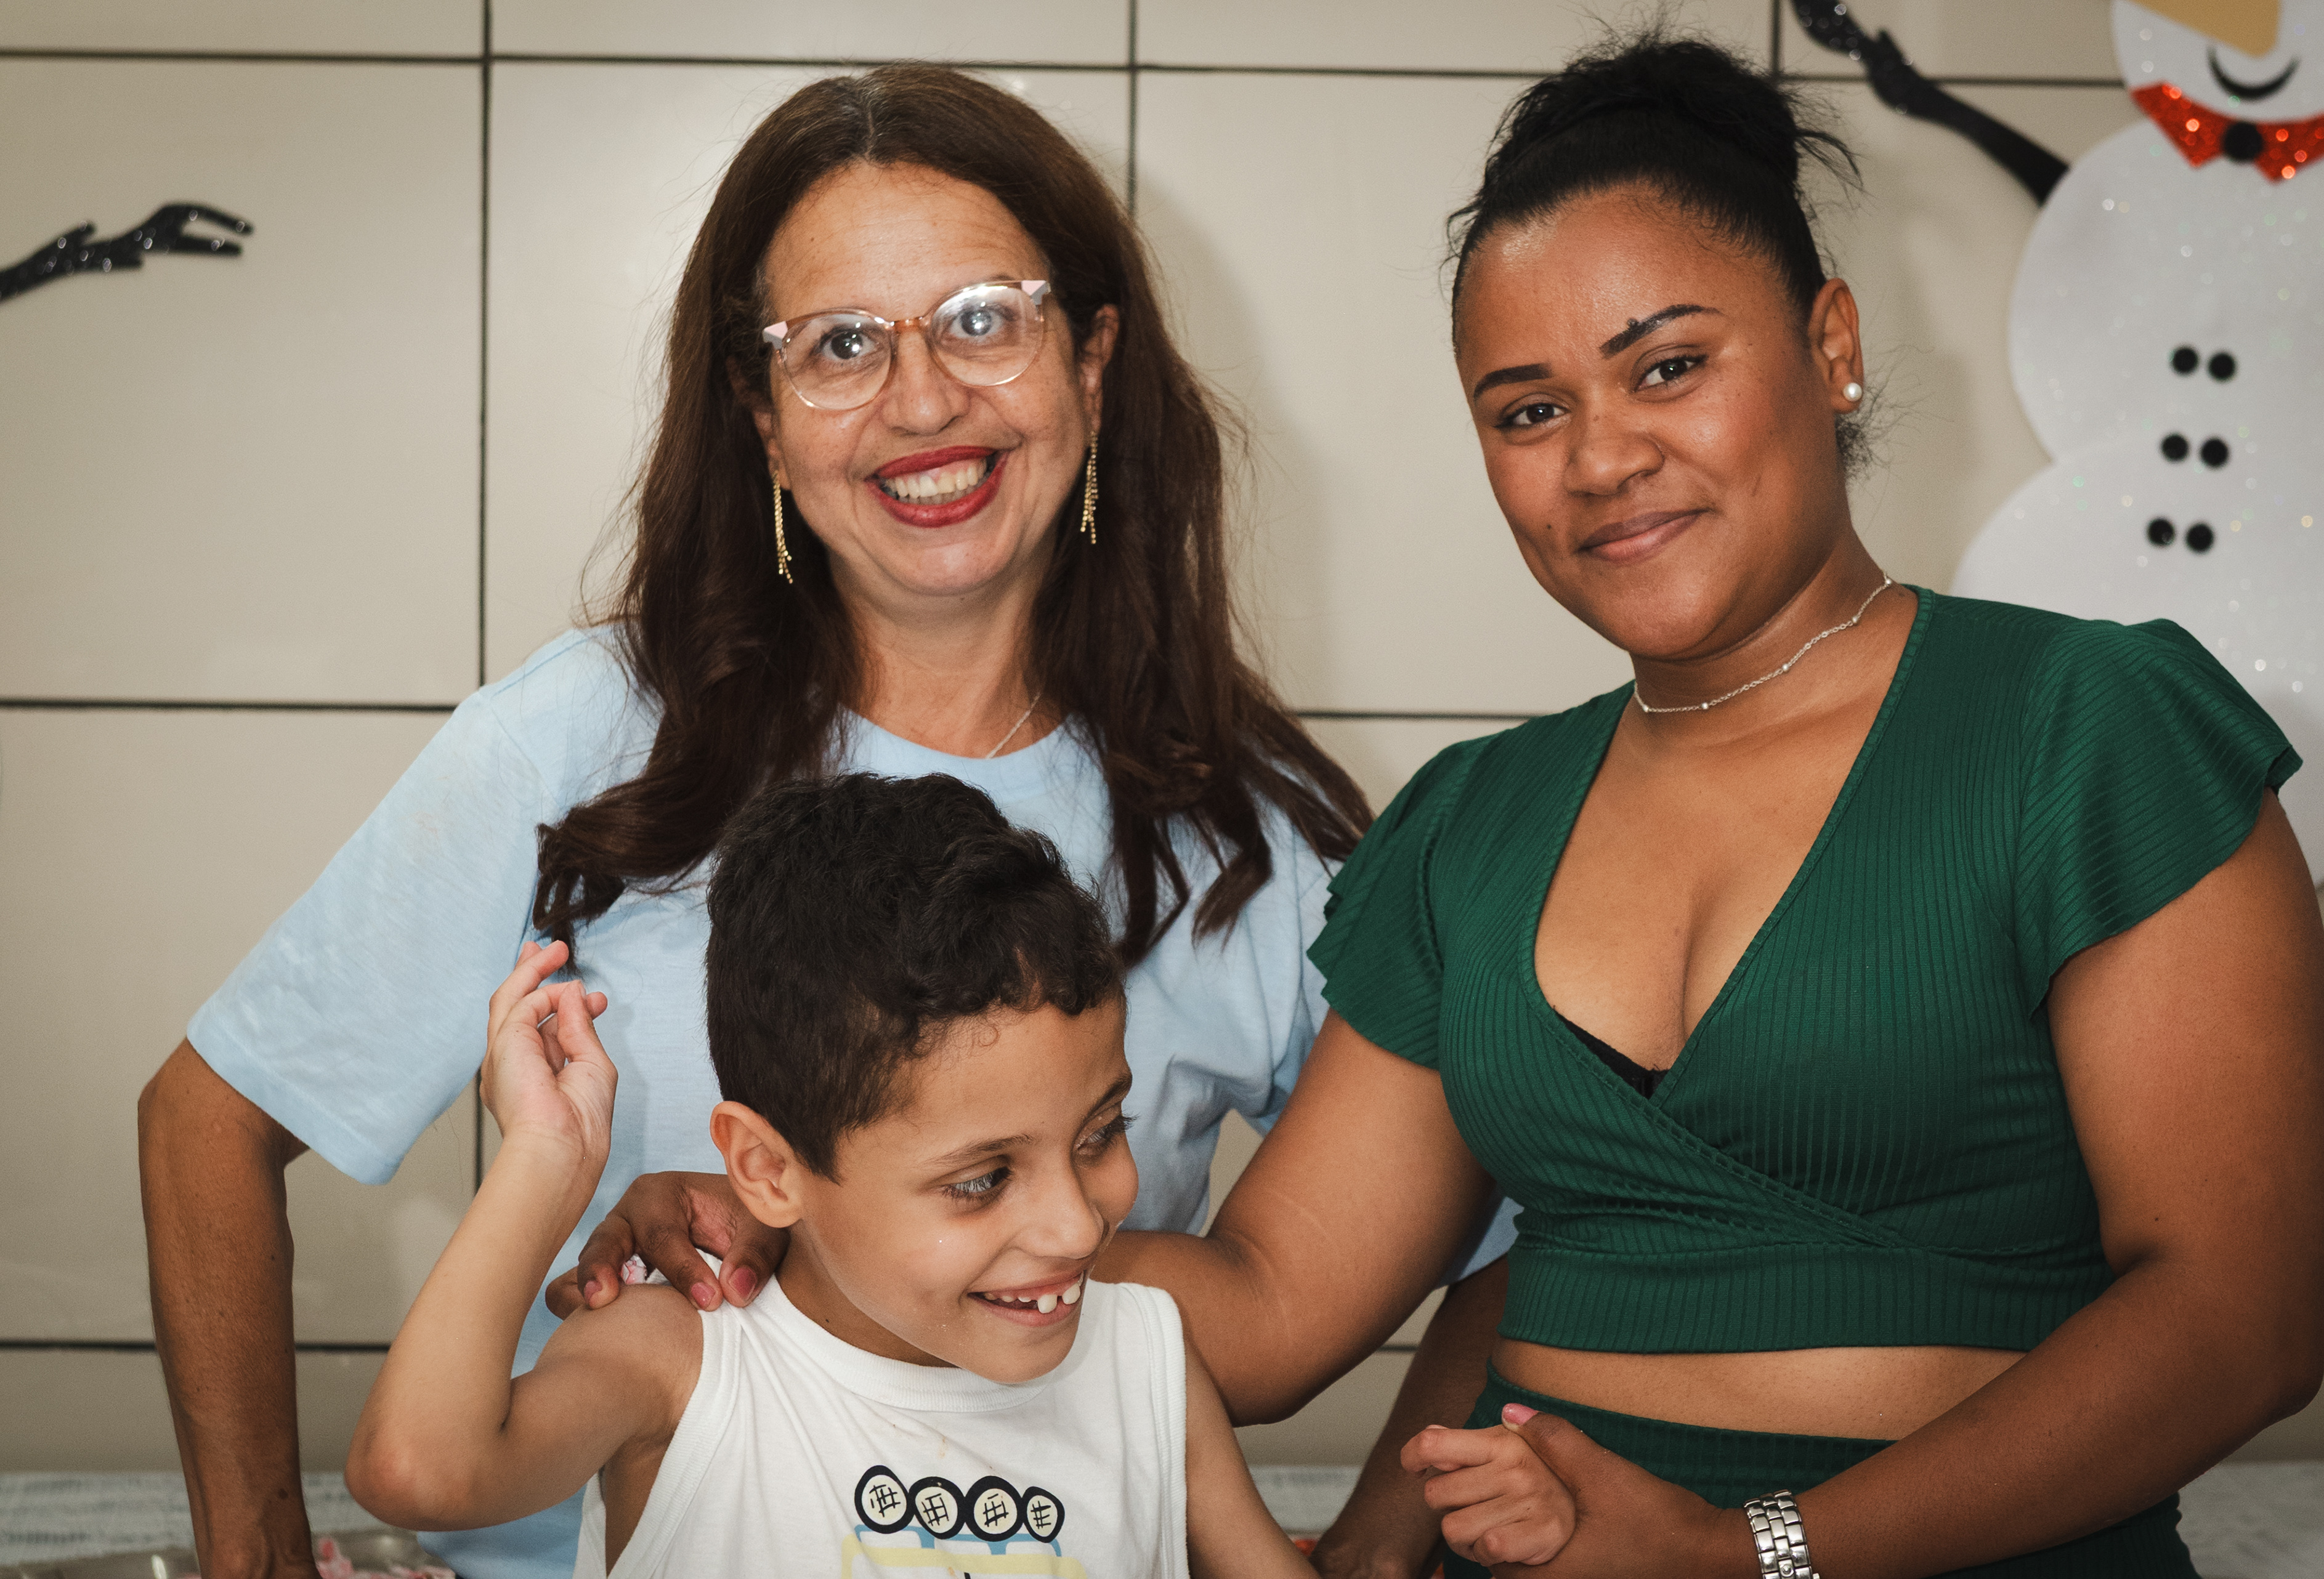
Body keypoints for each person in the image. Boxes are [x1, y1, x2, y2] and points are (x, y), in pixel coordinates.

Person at [136, 64, 1457, 1579]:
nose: (923, 399)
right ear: (763, 421)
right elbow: (207, 1122)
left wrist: (1380, 1544)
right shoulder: (586, 740)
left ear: (1093, 363)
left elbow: (1522, 1209)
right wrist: (254, 1554)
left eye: (985, 319)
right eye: (839, 345)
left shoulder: (1246, 829)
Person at [1084, 33, 2324, 1578]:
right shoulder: (1474, 820)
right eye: (1527, 411)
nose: (1603, 458)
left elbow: (2237, 1320)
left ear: (1832, 346)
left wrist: (1748, 1552)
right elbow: (1269, 1310)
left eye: (1668, 366)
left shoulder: (2086, 731)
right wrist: (881, 1237)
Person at [349, 773, 1378, 1578]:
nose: (1075, 1227)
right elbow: (417, 1471)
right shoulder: (680, 1363)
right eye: (982, 1180)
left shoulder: (1145, 1359)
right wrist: (546, 1159)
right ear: (767, 1170)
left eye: (1102, 1133)